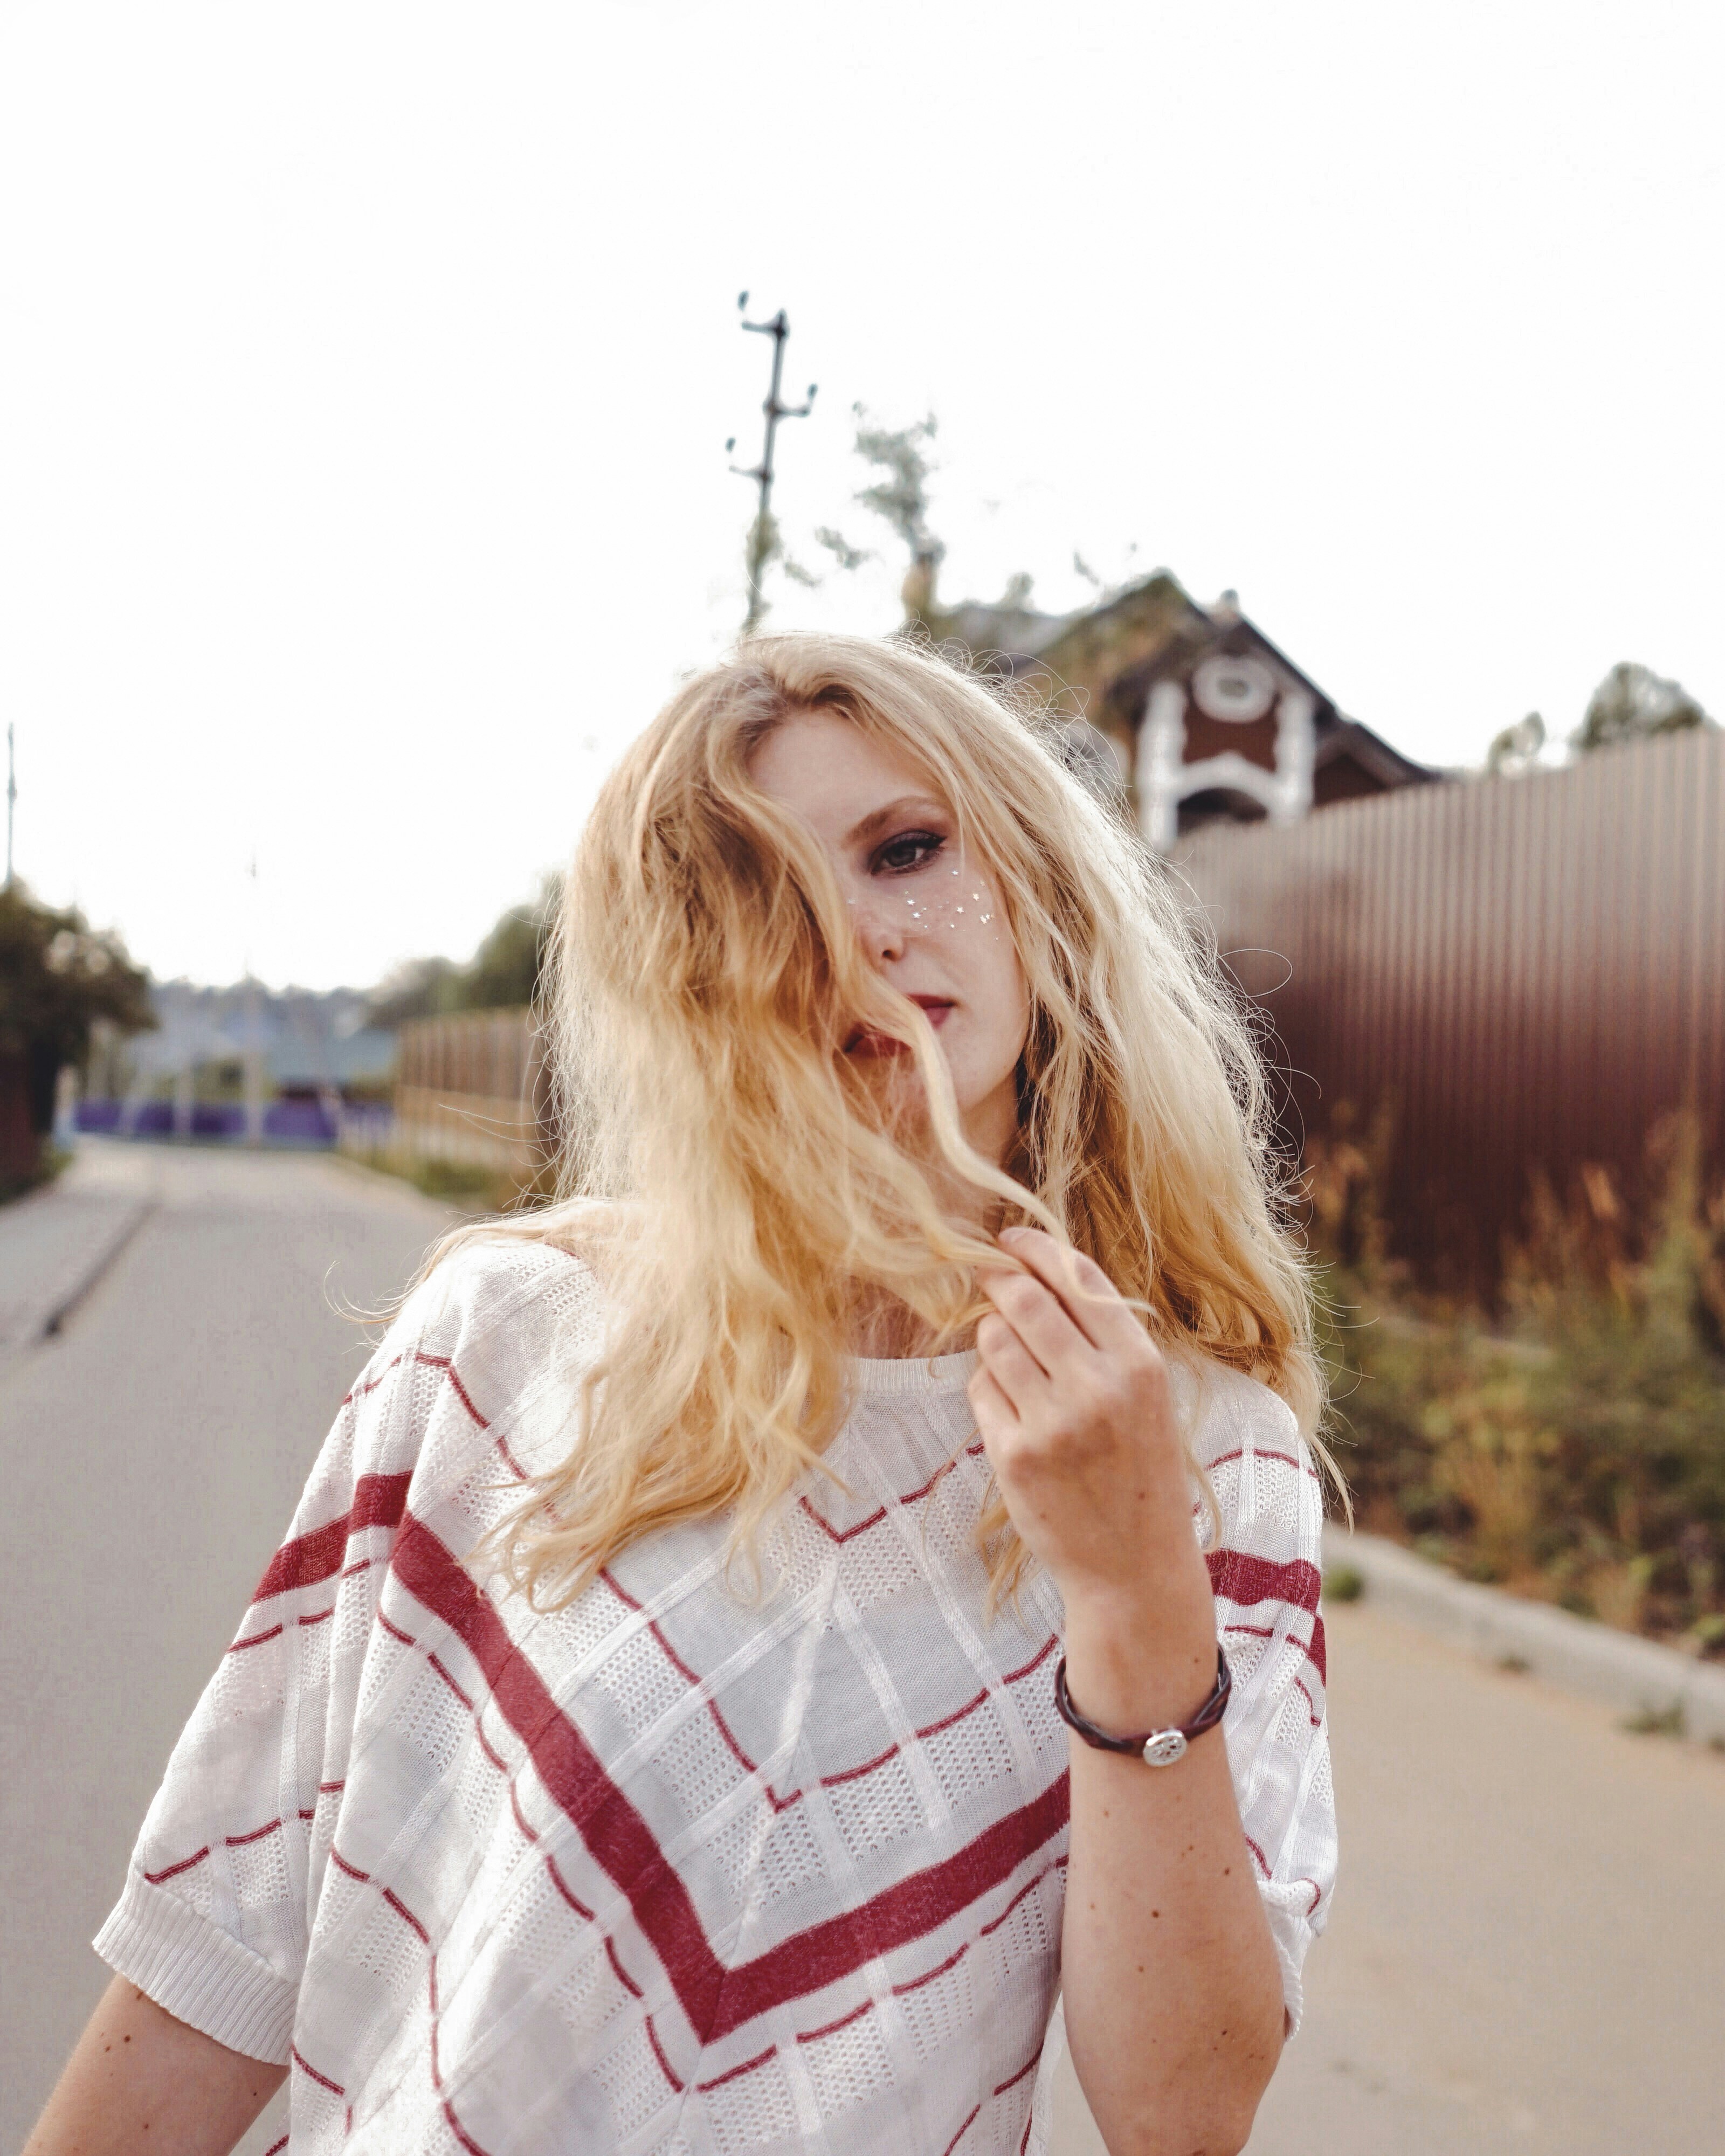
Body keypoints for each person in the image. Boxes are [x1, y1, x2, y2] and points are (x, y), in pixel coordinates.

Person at [29, 634, 1337, 2156]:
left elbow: (1185, 2111)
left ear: (1039, 886)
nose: (853, 944)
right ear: (688, 992)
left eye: (906, 851)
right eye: (759, 901)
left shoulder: (1213, 1453)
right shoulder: (506, 1336)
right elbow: (230, 1926)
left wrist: (1128, 1590)